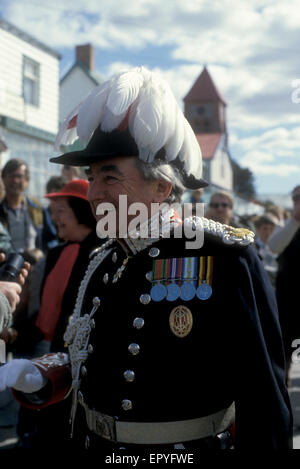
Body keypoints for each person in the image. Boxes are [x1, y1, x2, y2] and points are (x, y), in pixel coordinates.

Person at [0, 67, 292, 452]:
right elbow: (86, 358)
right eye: (91, 178)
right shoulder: (102, 260)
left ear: (161, 186)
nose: (94, 193)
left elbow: (264, 402)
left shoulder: (222, 257)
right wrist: (45, 374)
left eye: (110, 177)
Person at [268, 185, 300, 385]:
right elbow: (273, 246)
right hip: (288, 303)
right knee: (285, 352)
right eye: (296, 197)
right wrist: (295, 221)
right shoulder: (286, 225)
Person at [0, 159, 53, 254]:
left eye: (19, 176)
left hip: (35, 267)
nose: (15, 180)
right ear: (3, 178)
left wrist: (43, 257)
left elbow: (51, 239)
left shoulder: (37, 209)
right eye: (11, 176)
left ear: (27, 180)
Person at [253, 213, 279, 287]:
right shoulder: (252, 247)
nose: (268, 232)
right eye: (265, 228)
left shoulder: (279, 247)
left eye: (271, 228)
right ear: (257, 229)